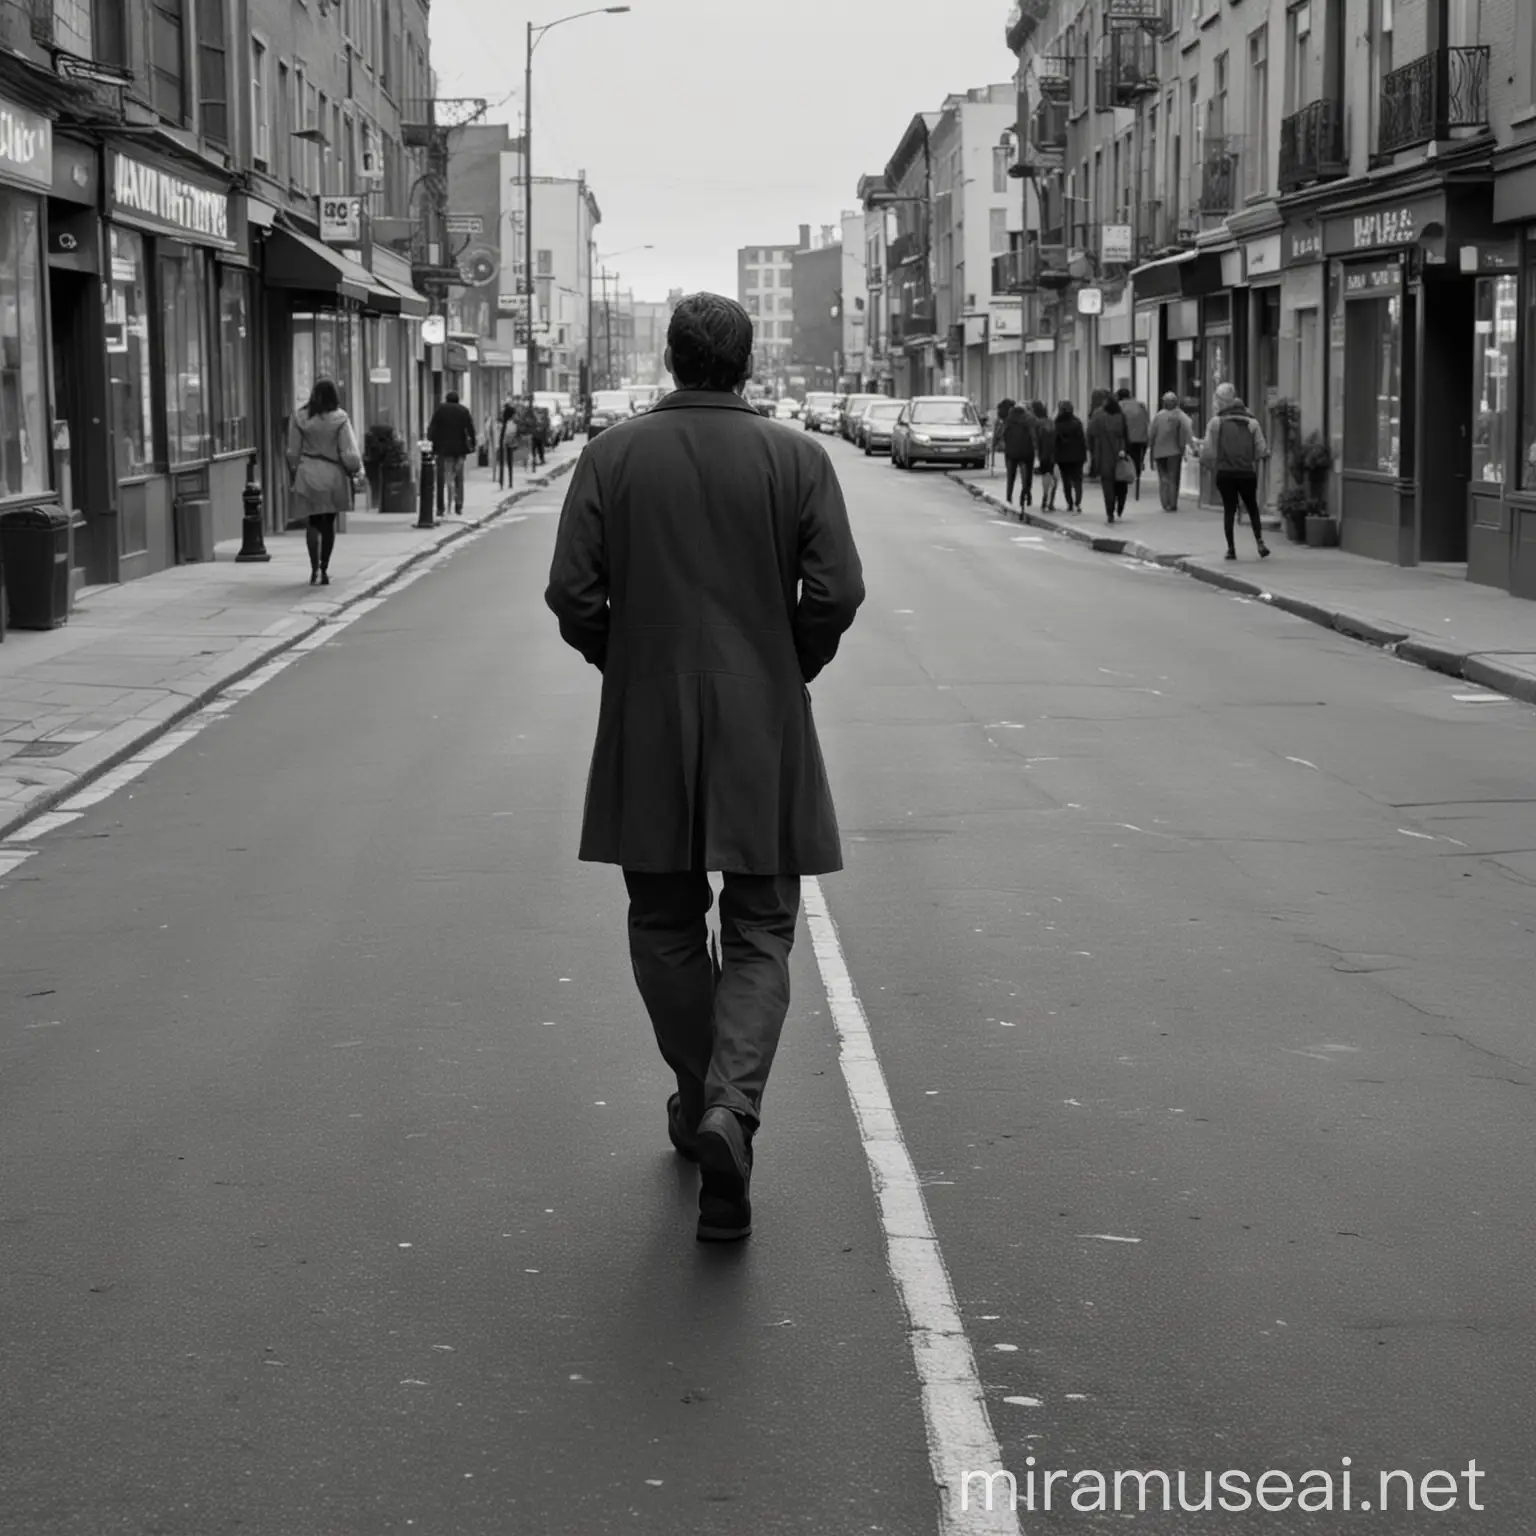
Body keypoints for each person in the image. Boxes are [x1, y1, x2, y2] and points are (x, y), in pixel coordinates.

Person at [545, 292, 864, 1245]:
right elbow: (837, 589)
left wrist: (624, 658)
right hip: (761, 719)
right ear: (747, 362)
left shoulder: (611, 456)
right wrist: (789, 658)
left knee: (665, 920)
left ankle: (700, 1101)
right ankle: (732, 1110)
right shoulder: (798, 457)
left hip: (650, 719)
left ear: (677, 361)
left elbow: (572, 591)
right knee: (763, 925)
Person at [286, 377, 361, 587]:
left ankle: (313, 569)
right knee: (328, 524)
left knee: (312, 523)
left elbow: (292, 451)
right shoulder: (340, 418)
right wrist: (354, 469)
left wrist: (295, 473)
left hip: (308, 472)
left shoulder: (300, 417)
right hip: (333, 474)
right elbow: (348, 450)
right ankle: (325, 568)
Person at [1201, 382, 1271, 560]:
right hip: (1247, 472)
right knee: (1252, 507)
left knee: (1229, 509)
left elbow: (1209, 450)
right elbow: (1262, 450)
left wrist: (1208, 466)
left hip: (1225, 472)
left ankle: (1231, 549)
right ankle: (1260, 542)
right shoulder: (1252, 422)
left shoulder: (1216, 422)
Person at [427, 389, 476, 515]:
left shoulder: (440, 410)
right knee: (458, 477)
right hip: (459, 450)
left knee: (441, 478)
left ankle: (440, 507)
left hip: (442, 450)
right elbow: (470, 429)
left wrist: (430, 444)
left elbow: (432, 428)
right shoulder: (464, 411)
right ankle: (458, 505)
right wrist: (473, 445)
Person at [1086, 391, 1129, 522]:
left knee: (1107, 484)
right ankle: (1120, 506)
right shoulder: (1120, 416)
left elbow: (1090, 433)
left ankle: (1110, 511)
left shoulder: (1098, 415)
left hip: (1103, 454)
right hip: (1119, 453)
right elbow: (1125, 435)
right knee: (1121, 482)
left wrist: (1092, 452)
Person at [1148, 392, 1194, 512]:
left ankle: (1165, 503)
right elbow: (1186, 431)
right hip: (1174, 452)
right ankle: (1172, 504)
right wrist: (1186, 448)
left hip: (1159, 452)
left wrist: (1151, 450)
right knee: (1173, 478)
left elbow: (1152, 435)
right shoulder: (1179, 416)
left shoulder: (1158, 416)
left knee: (1163, 478)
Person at [1053, 400, 1087, 513]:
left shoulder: (1057, 423)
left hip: (1063, 457)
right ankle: (1078, 501)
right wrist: (1084, 456)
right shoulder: (1077, 423)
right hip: (1077, 457)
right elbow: (1082, 441)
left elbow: (1055, 441)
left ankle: (1070, 503)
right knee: (1077, 480)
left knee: (1066, 480)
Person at [1001, 400, 1036, 510]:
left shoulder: (1008, 420)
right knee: (1026, 477)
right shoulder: (1029, 419)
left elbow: (1003, 434)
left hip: (1011, 453)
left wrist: (1006, 446)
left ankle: (1009, 497)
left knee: (1010, 476)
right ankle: (1026, 496)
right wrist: (1035, 448)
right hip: (1027, 453)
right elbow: (1033, 435)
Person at [1117, 387, 1150, 498]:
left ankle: (1129, 476)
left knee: (1127, 457)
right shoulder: (1140, 405)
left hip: (1128, 438)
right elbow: (1147, 420)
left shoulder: (1119, 406)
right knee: (1137, 457)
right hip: (1141, 438)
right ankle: (1138, 470)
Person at [1030, 401, 1057, 511]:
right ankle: (1051, 501)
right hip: (1054, 453)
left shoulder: (1036, 423)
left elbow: (1034, 439)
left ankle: (1045, 496)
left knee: (1045, 475)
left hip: (1043, 453)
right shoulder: (1050, 421)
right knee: (1053, 476)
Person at [496, 397, 519, 488]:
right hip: (510, 442)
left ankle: (502, 482)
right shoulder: (511, 423)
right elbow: (513, 433)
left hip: (503, 442)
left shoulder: (503, 423)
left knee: (502, 462)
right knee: (509, 463)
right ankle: (510, 482)